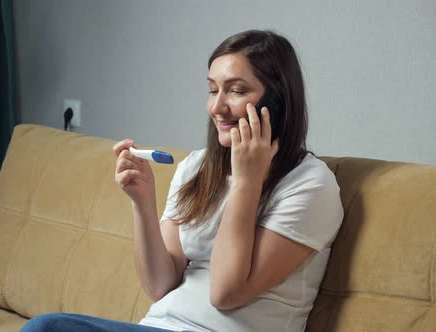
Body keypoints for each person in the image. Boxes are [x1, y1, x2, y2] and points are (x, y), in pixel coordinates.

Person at [21, 29, 344, 332]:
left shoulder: (311, 185)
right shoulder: (197, 166)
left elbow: (225, 294)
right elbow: (158, 286)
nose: (217, 107)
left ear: (276, 102)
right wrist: (143, 203)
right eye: (212, 89)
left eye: (236, 90)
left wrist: (247, 183)